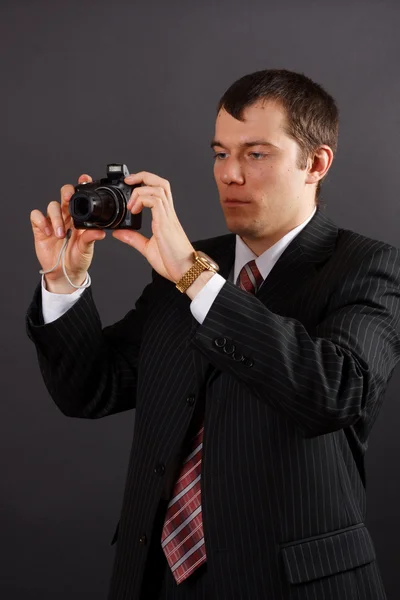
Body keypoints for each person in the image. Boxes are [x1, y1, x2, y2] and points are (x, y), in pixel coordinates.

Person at [26, 69, 400, 600]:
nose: (230, 174)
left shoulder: (367, 266)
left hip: (293, 585)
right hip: (157, 578)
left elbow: (332, 393)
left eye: (256, 154)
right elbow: (92, 388)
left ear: (316, 163)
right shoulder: (183, 264)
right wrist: (64, 279)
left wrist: (196, 279)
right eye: (221, 153)